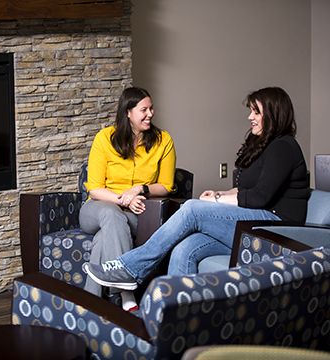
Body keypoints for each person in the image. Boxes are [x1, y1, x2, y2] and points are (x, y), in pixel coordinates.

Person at [84, 86, 310, 291]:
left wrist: (214, 203)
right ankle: (175, 320)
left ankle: (131, 268)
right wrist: (220, 194)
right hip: (255, 219)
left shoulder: (284, 147)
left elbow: (260, 198)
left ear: (273, 114)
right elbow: (248, 189)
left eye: (256, 112)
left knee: (193, 209)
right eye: (251, 111)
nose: (250, 117)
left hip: (274, 227)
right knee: (185, 247)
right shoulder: (265, 145)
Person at [80, 87, 176, 311]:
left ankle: (89, 303)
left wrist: (139, 189)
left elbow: (166, 186)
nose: (150, 114)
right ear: (128, 113)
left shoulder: (163, 140)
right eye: (144, 109)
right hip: (96, 209)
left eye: (151, 108)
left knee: (105, 237)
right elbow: (94, 189)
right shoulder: (105, 138)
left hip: (135, 214)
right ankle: (127, 292)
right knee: (110, 213)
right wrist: (123, 200)